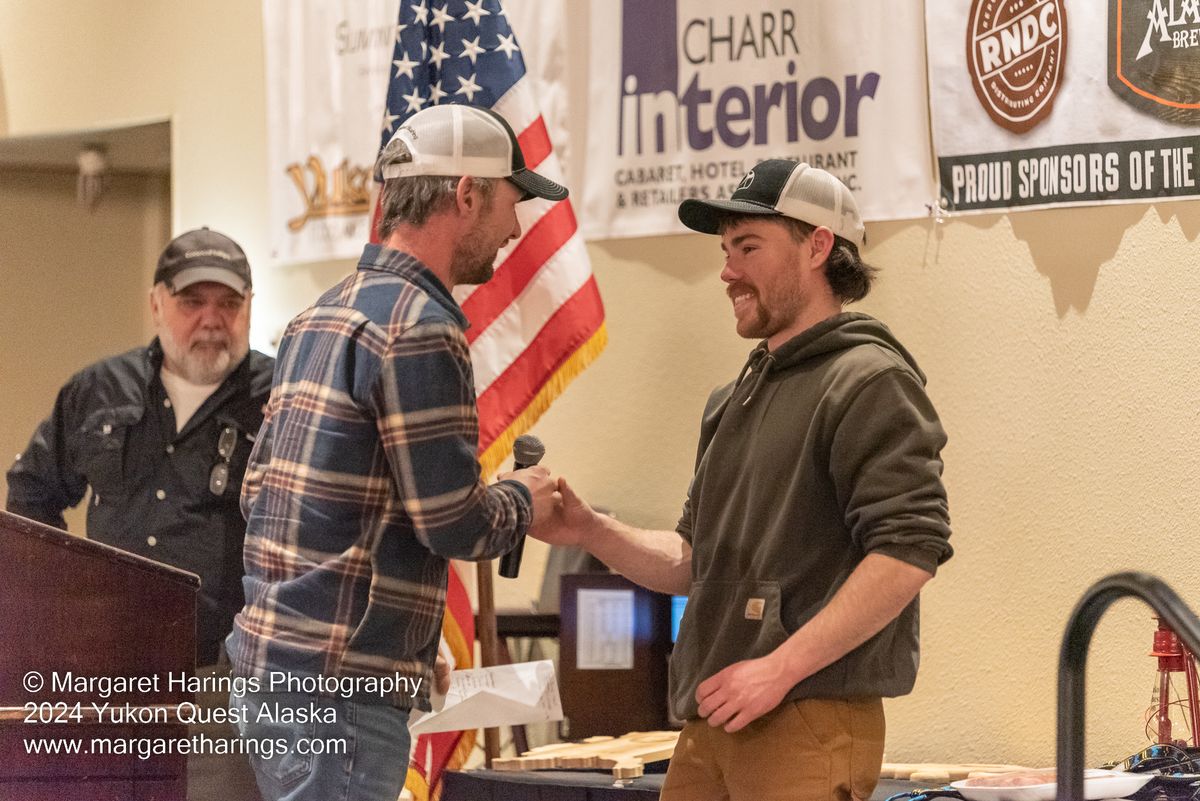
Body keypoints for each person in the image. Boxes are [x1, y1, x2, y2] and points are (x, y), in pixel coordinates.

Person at [534, 160, 953, 801]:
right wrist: (589, 528)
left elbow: (908, 553)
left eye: (748, 247)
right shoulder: (732, 398)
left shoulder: (870, 380)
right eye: (726, 250)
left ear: (818, 245)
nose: (727, 270)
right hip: (714, 719)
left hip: (805, 714)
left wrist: (777, 671)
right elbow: (691, 562)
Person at [225, 103, 563, 801]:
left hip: (273, 674)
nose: (513, 227)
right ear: (466, 194)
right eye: (510, 200)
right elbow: (454, 522)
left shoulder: (316, 315)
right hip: (341, 698)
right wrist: (527, 497)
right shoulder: (422, 328)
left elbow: (262, 496)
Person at [6, 227, 273, 668]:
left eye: (229, 304)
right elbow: (31, 494)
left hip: (229, 668)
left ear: (249, 307)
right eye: (192, 302)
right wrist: (63, 598)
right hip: (107, 658)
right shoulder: (98, 390)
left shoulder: (283, 397)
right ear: (155, 305)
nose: (211, 319)